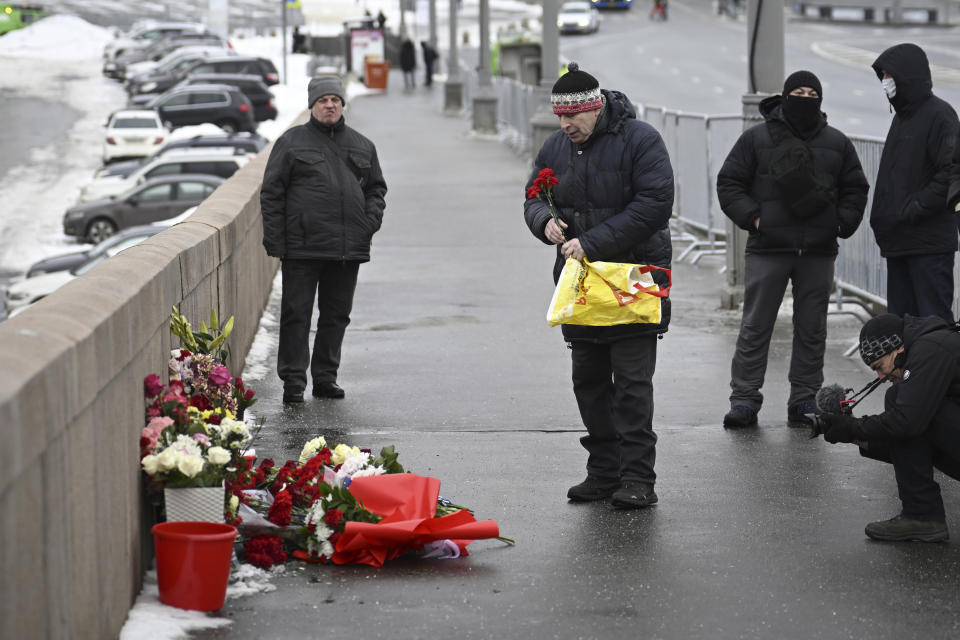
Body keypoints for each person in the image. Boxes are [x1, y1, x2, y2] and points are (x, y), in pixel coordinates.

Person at [523, 63, 674, 509]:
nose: (565, 125)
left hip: (633, 280)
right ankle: (604, 472)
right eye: (560, 118)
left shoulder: (641, 140)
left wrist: (589, 242)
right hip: (582, 286)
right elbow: (532, 195)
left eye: (573, 117)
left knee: (631, 383)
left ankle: (637, 478)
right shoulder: (556, 146)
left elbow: (655, 204)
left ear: (595, 108)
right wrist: (544, 222)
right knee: (588, 381)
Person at [717, 70, 869, 429]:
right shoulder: (756, 139)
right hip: (768, 248)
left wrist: (840, 224)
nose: (804, 97)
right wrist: (755, 219)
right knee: (755, 326)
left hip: (817, 251)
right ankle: (744, 400)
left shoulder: (837, 142)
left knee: (812, 329)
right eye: (798, 91)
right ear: (785, 96)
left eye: (811, 92)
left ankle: (804, 398)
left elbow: (855, 188)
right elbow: (729, 183)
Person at [259, 76, 387, 403]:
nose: (329, 105)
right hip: (303, 248)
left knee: (336, 316)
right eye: (322, 100)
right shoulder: (291, 143)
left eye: (335, 99)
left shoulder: (362, 145)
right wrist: (276, 242)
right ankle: (293, 381)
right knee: (296, 315)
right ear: (311, 106)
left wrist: (367, 223)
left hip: (347, 249)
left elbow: (376, 189)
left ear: (342, 104)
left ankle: (326, 377)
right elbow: (272, 194)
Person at [817, 313, 960, 542]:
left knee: (902, 404)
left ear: (897, 349)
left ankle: (923, 515)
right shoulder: (927, 348)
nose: (881, 376)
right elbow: (914, 451)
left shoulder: (932, 349)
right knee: (906, 405)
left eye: (879, 366)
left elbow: (907, 422)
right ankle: (922, 516)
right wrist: (854, 435)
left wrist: (853, 426)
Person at [869, 43, 959, 324]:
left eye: (889, 75)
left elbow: (950, 172)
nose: (885, 82)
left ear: (906, 76)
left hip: (927, 244)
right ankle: (910, 371)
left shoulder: (940, 116)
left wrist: (913, 208)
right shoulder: (903, 118)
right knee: (902, 328)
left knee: (932, 327)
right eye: (883, 76)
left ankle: (939, 371)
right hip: (901, 241)